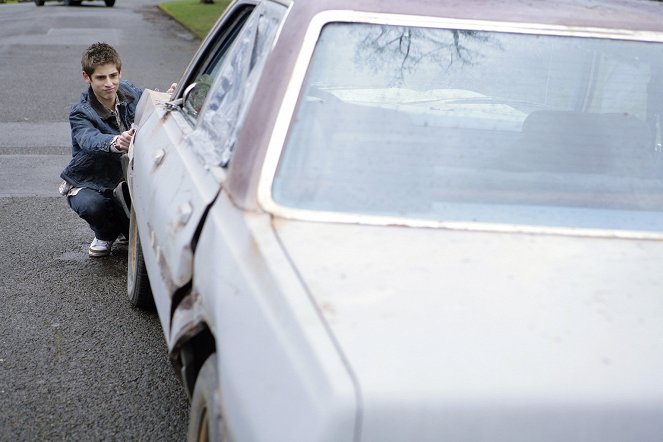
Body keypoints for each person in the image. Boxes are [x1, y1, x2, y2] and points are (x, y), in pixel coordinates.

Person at [59, 42, 174, 257]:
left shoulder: (130, 91)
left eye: (113, 75)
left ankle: (124, 229)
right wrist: (115, 142)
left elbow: (151, 108)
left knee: (138, 236)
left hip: (128, 177)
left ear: (120, 72)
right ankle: (104, 234)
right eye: (101, 78)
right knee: (93, 206)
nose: (109, 83)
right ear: (87, 77)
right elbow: (88, 139)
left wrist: (168, 98)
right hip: (92, 179)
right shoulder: (80, 112)